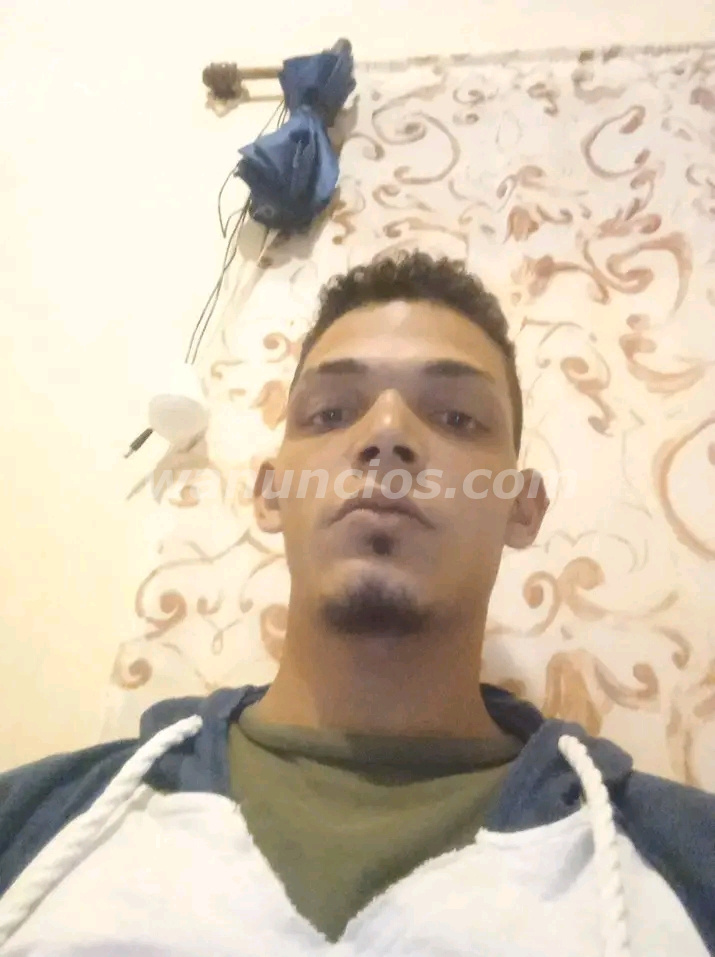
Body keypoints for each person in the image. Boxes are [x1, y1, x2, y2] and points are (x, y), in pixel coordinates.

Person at [0, 252, 712, 956]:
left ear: (521, 508)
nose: (386, 433)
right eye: (332, 411)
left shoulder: (688, 860)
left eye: (457, 417)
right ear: (271, 492)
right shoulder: (32, 825)